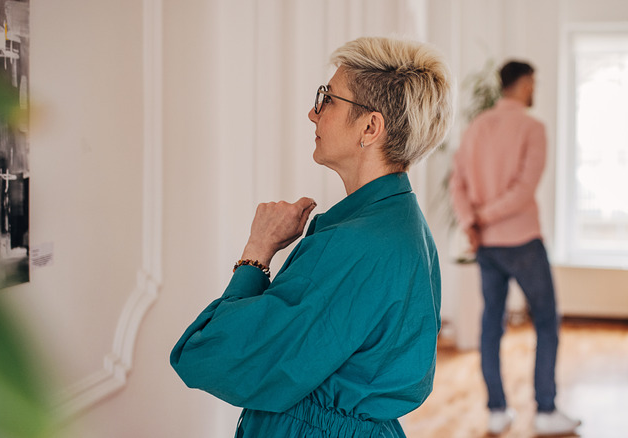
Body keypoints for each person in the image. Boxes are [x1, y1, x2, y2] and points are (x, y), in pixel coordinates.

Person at [170, 36, 453, 438]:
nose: (312, 112)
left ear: (370, 127)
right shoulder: (405, 226)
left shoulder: (354, 244)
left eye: (328, 99)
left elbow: (209, 354)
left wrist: (257, 251)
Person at [449, 60, 581, 436]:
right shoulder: (533, 128)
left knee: (491, 325)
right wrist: (482, 218)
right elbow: (523, 191)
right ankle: (545, 410)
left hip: (487, 246)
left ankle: (496, 411)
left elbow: (457, 183)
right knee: (546, 322)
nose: (534, 89)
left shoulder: (476, 127)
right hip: (522, 242)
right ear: (524, 85)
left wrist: (472, 222)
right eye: (533, 83)